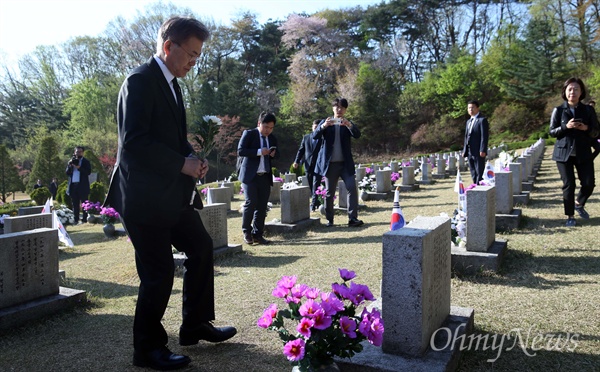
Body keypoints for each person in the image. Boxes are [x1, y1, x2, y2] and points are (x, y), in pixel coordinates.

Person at [104, 16, 236, 370]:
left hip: (170, 195)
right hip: (143, 198)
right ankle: (146, 349)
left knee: (201, 246)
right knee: (158, 273)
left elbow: (172, 140)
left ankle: (194, 323)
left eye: (198, 55)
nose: (194, 61)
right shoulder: (140, 81)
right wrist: (181, 164)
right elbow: (133, 144)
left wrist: (192, 159)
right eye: (191, 54)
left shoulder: (174, 85)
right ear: (168, 47)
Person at [549, 77, 599, 227]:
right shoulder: (558, 110)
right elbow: (552, 132)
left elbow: (597, 131)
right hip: (563, 154)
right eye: (570, 89)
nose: (573, 92)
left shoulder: (588, 110)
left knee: (589, 184)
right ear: (565, 91)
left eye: (576, 89)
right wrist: (566, 127)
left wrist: (586, 129)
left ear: (581, 92)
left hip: (583, 152)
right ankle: (570, 216)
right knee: (569, 184)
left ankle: (579, 203)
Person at [313, 98, 363, 227]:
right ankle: (330, 219)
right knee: (329, 192)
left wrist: (349, 125)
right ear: (333, 108)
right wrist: (323, 126)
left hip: (345, 163)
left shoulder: (347, 123)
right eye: (337, 107)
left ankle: (352, 218)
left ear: (345, 110)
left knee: (352, 188)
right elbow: (315, 136)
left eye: (342, 107)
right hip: (330, 164)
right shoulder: (326, 122)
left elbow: (357, 134)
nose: (339, 110)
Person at [238, 112, 279, 245]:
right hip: (250, 176)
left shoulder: (272, 138)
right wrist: (259, 151)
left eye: (271, 128)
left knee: (262, 206)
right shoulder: (249, 134)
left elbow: (277, 154)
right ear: (259, 124)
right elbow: (241, 151)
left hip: (265, 175)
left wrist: (273, 153)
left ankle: (258, 234)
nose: (268, 130)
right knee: (251, 203)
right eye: (266, 127)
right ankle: (246, 232)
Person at [293, 119, 323, 211]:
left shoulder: (323, 138)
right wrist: (296, 161)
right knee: (311, 185)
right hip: (308, 165)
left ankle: (313, 204)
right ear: (312, 127)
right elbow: (301, 150)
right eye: (314, 127)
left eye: (317, 128)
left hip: (319, 165)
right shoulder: (306, 137)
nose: (315, 129)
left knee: (315, 184)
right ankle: (317, 202)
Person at [462, 100, 489, 185]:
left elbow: (484, 136)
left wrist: (483, 149)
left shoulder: (482, 120)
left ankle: (479, 186)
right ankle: (475, 184)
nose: (471, 109)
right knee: (472, 170)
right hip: (470, 150)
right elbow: (466, 137)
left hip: (478, 150)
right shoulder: (468, 121)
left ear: (477, 108)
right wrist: (464, 150)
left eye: (473, 107)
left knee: (479, 170)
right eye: (469, 108)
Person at [66, 146, 91, 224]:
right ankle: (76, 219)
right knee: (75, 204)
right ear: (74, 152)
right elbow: (67, 173)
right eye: (77, 152)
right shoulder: (71, 161)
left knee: (84, 203)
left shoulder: (86, 162)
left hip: (82, 186)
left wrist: (79, 167)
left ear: (83, 152)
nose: (78, 153)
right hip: (73, 185)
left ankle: (84, 219)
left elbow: (88, 172)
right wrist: (70, 165)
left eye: (80, 152)